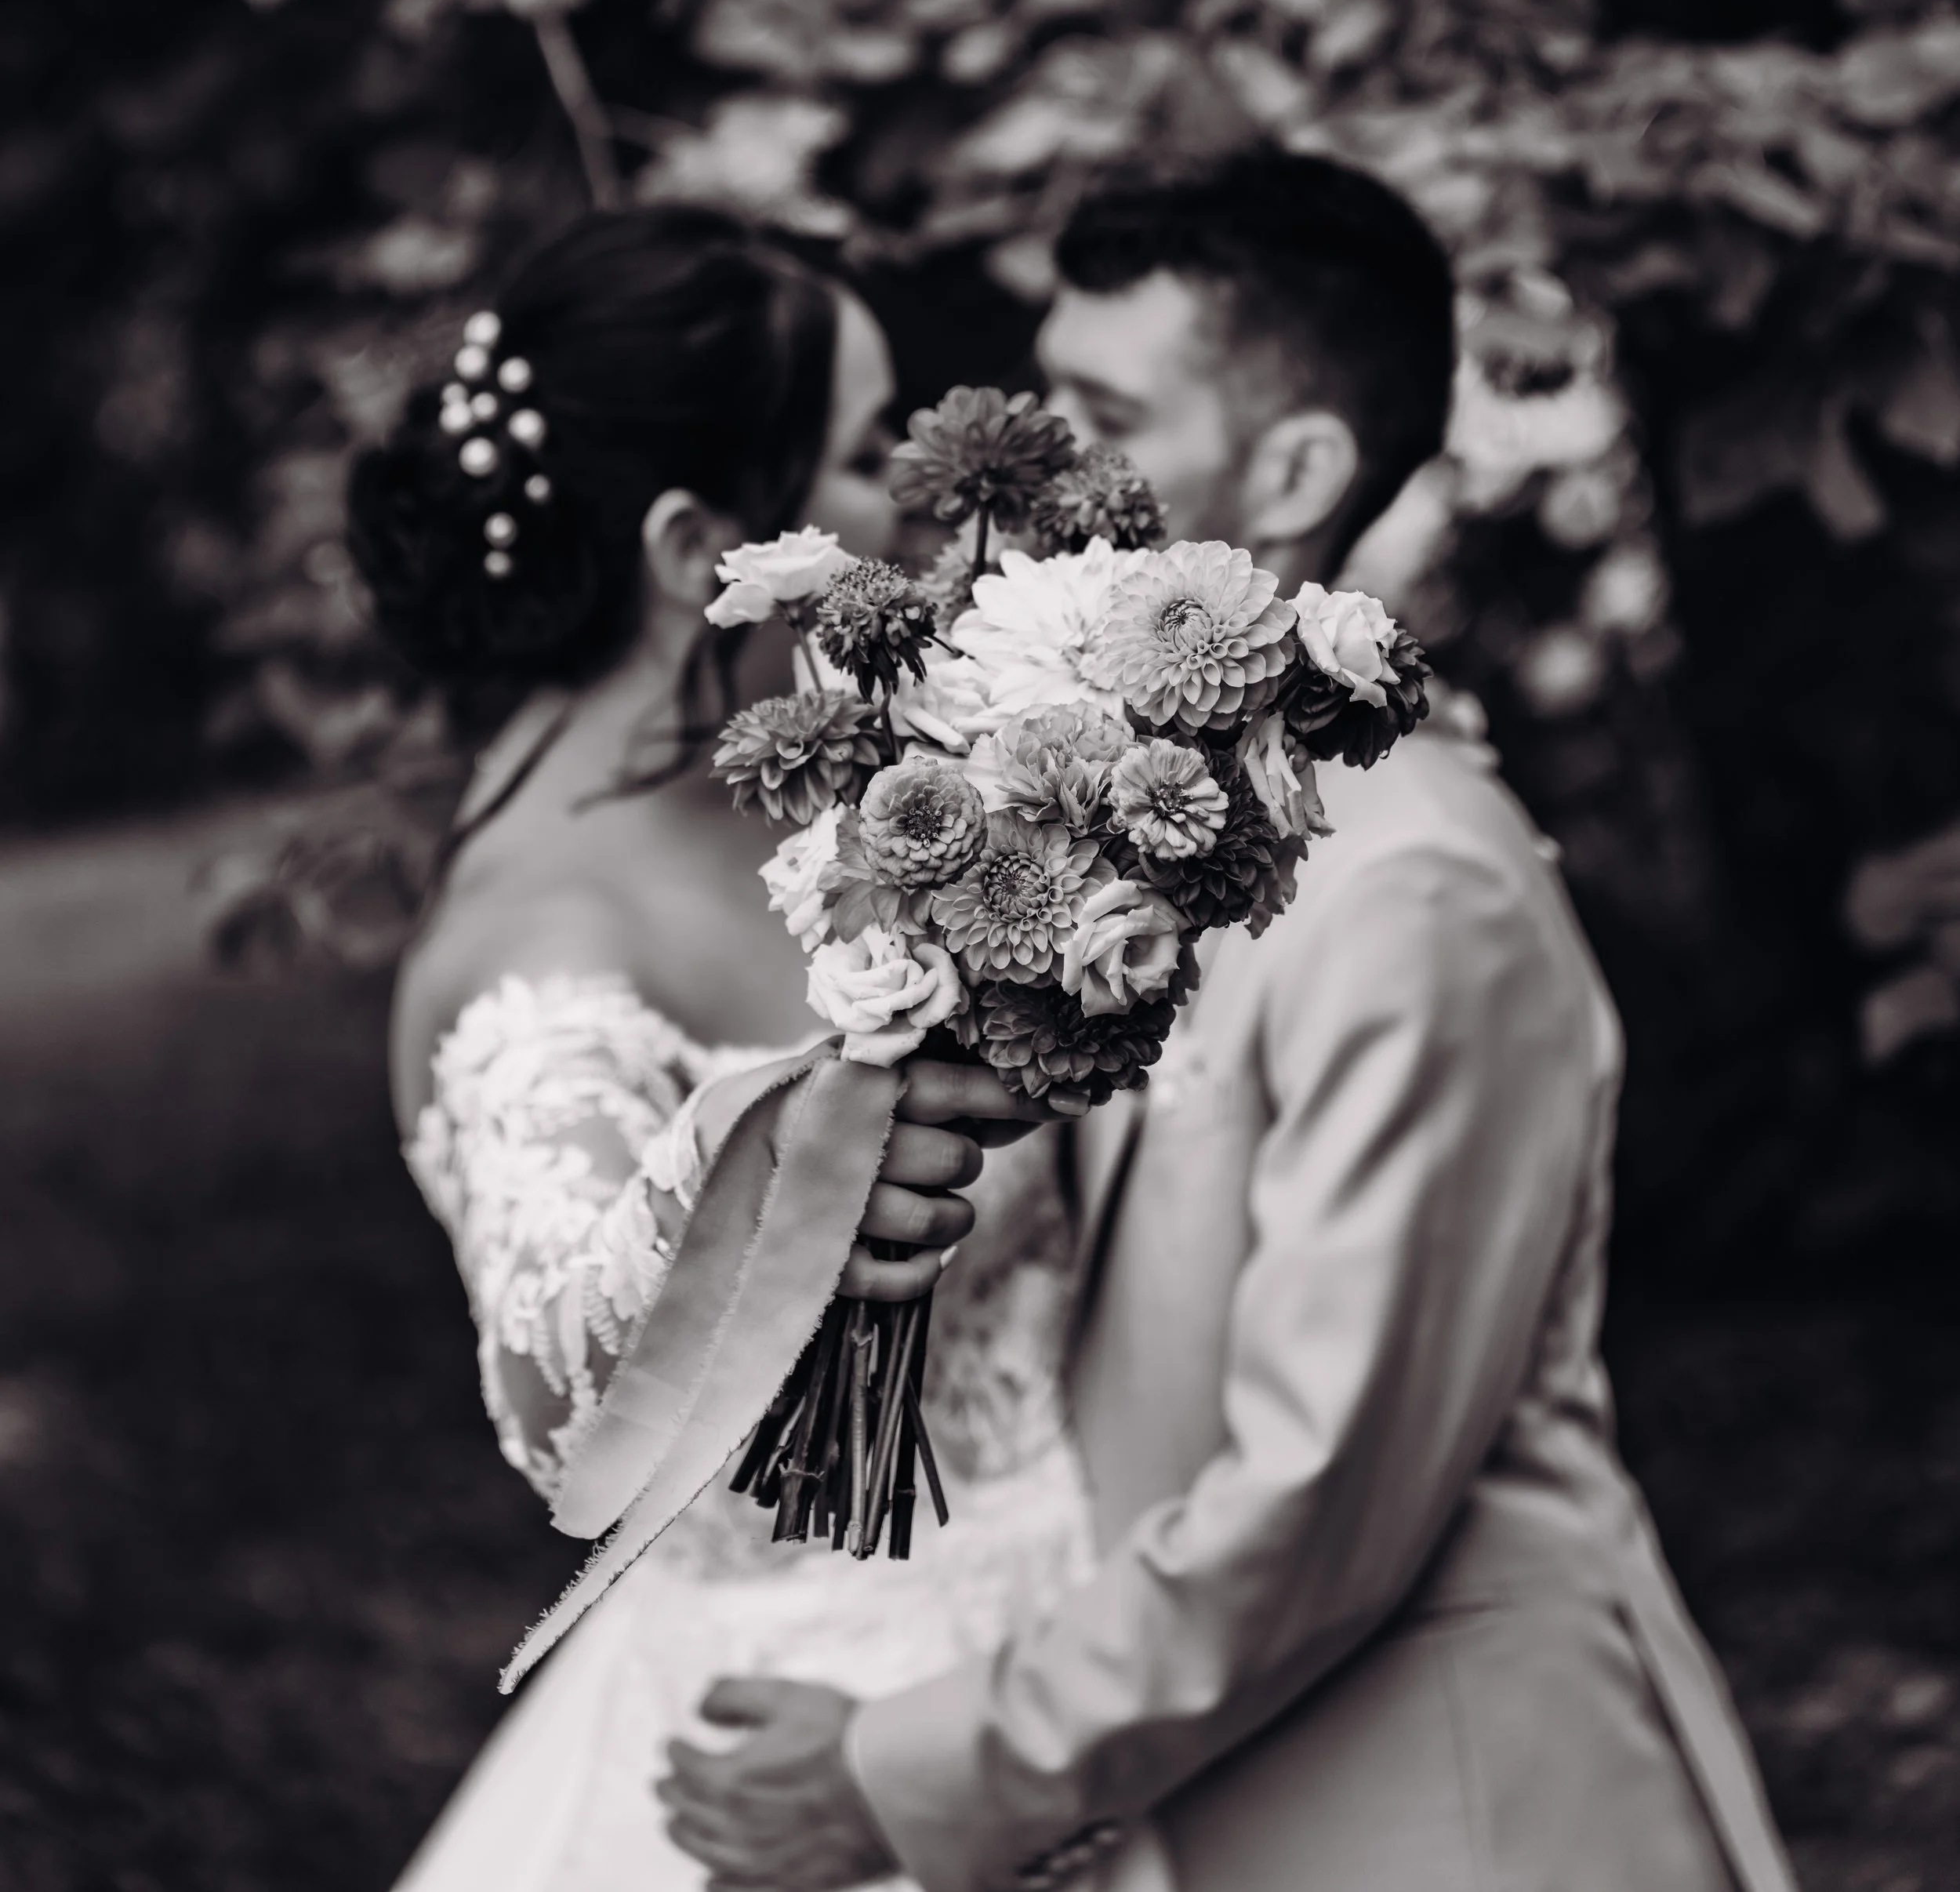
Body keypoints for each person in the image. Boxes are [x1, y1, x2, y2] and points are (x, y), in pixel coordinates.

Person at [659, 154, 1800, 1892]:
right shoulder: (1128, 831)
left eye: (1101, 412)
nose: (1031, 464)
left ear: (1287, 473)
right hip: (1221, 1798)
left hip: (1454, 1812)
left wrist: (905, 1772)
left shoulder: (1420, 886)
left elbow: (1318, 1498)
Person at [352, 207, 1087, 1892]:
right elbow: (581, 1415)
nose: (912, 498)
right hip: (803, 1769)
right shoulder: (527, 960)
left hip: (1060, 1679)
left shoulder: (814, 799)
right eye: (858, 452)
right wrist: (762, 1155)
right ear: (699, 548)